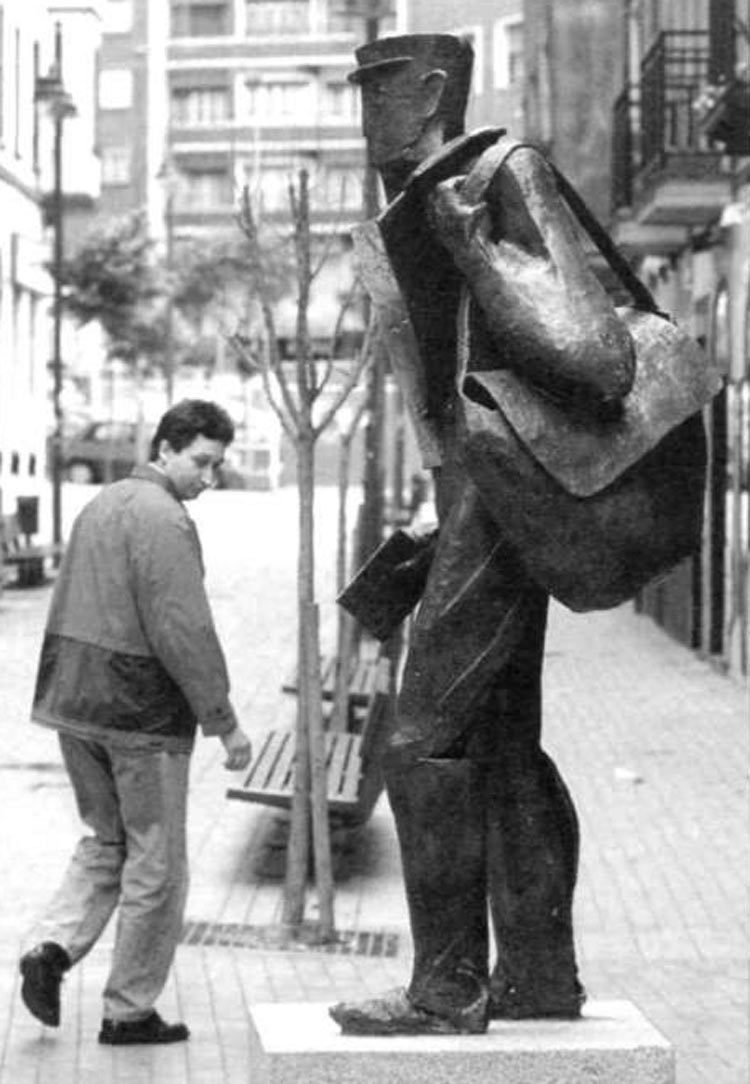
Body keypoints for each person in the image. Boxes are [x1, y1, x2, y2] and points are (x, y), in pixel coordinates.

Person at [330, 34, 636, 1036]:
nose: (363, 107)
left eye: (375, 87)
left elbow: (597, 360)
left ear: (428, 89)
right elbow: (456, 393)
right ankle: (541, 974)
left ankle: (447, 986)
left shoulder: (503, 177)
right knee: (500, 743)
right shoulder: (421, 202)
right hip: (480, 493)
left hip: (512, 498)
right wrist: (437, 504)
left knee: (421, 742)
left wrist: (473, 249)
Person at [19, 399, 253, 1046]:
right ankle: (128, 1010)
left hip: (74, 702)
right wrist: (224, 722)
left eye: (218, 465)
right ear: (167, 449)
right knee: (157, 862)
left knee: (106, 841)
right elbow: (183, 631)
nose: (210, 475)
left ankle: (50, 947)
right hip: (139, 712)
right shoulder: (165, 520)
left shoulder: (102, 505)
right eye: (202, 461)